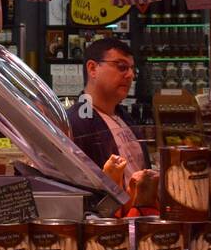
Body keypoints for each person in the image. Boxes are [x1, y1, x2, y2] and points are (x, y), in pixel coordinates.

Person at [66, 37, 158, 216]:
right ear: (93, 68)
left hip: (139, 221)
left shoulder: (124, 117)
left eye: (132, 69)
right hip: (109, 229)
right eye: (121, 67)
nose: (130, 75)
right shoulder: (75, 122)